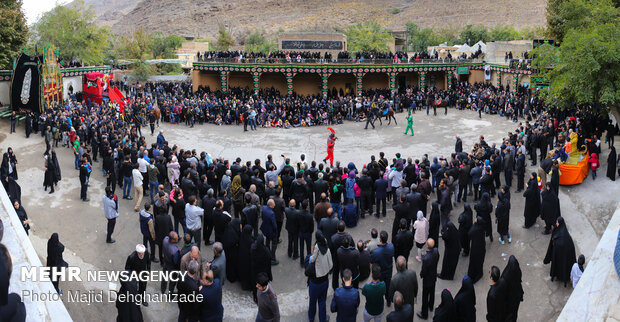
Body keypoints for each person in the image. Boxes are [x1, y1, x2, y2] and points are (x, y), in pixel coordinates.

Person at [544, 217, 577, 287]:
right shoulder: (562, 232)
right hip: (559, 255)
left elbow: (560, 244)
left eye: (557, 222)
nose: (556, 223)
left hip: (560, 256)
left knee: (560, 266)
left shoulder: (563, 237)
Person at [305, 235, 330, 322]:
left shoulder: (311, 261)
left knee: (312, 302)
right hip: (324, 282)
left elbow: (306, 272)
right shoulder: (326, 256)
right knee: (322, 302)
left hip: (314, 285)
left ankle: (311, 318)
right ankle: (322, 319)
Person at [369, 230, 394, 305]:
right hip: (389, 271)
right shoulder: (391, 247)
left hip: (380, 272)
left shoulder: (376, 252)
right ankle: (388, 301)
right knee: (388, 286)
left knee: (379, 286)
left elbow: (371, 260)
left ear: (380, 239)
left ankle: (380, 301)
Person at [417, 238, 439, 320]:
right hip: (433, 277)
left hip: (427, 280)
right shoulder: (436, 251)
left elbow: (424, 270)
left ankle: (424, 314)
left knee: (425, 296)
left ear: (427, 246)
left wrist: (421, 275)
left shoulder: (426, 259)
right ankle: (431, 306)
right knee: (432, 292)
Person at [501, 255, 524, 321]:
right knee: (514, 313)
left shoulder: (506, 275)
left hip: (510, 301)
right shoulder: (517, 271)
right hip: (516, 298)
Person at [251, 234, 272, 302]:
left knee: (255, 285)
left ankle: (255, 297)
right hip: (263, 272)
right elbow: (269, 263)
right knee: (262, 285)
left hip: (255, 271)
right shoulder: (266, 251)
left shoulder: (253, 249)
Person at [467, 216, 486, 283]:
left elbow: (469, 234)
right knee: (479, 262)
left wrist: (474, 224)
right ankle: (479, 273)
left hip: (475, 248)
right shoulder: (482, 226)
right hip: (482, 247)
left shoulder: (475, 229)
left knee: (474, 262)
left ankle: (474, 275)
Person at [222, 218, 240, 283]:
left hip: (227, 251)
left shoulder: (229, 228)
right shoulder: (233, 233)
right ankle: (232, 277)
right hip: (232, 252)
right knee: (232, 265)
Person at [261, 199, 279, 265]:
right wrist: (276, 229)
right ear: (271, 205)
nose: (274, 204)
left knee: (267, 242)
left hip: (265, 228)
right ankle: (273, 258)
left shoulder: (264, 208)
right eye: (273, 204)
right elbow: (274, 225)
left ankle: (267, 255)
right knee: (274, 244)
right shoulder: (271, 213)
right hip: (271, 230)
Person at [238, 225, 255, 291]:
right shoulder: (250, 240)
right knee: (247, 273)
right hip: (247, 259)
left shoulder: (242, 236)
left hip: (241, 257)